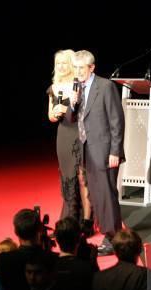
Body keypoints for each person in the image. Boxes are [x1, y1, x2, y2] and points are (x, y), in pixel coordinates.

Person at [71, 50, 125, 255]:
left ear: (92, 67)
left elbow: (116, 121)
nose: (78, 72)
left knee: (107, 195)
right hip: (87, 150)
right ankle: (107, 234)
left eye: (81, 68)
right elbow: (71, 118)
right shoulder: (78, 87)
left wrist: (115, 151)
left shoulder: (105, 86)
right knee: (97, 195)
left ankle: (113, 237)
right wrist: (73, 103)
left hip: (104, 151)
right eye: (75, 68)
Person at [48, 49, 93, 227]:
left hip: (80, 133)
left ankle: (87, 220)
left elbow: (85, 111)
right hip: (64, 135)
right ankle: (70, 219)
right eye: (57, 63)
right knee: (68, 178)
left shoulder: (79, 84)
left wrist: (68, 109)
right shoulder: (54, 87)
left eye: (64, 63)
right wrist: (55, 112)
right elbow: (50, 117)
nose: (60, 66)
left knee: (83, 178)